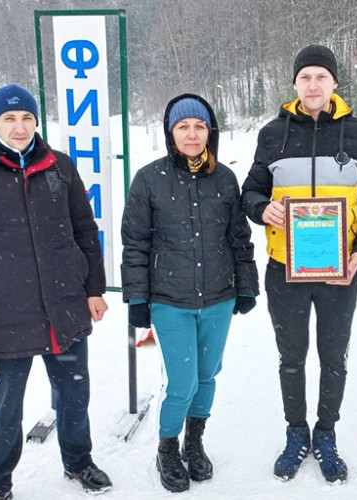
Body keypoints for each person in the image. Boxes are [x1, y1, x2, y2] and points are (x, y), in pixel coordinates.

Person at [0, 84, 113, 500]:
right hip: (2, 316)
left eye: (27, 118)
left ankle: (79, 462)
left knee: (73, 395)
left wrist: (94, 289)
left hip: (64, 310)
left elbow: (85, 231)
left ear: (36, 121)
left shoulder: (60, 167)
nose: (19, 127)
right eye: (9, 119)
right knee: (4, 408)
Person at [241, 45, 357, 483]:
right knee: (291, 358)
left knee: (333, 357)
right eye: (305, 77)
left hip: (339, 268)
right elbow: (252, 189)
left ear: (334, 84)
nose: (313, 85)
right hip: (283, 268)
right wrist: (261, 208)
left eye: (321, 77)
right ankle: (296, 432)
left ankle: (325, 433)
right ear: (294, 84)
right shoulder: (273, 134)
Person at [121, 94, 259, 493]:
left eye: (199, 126)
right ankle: (167, 447)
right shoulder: (149, 180)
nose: (192, 134)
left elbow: (238, 237)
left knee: (208, 375)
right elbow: (136, 244)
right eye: (183, 127)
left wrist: (246, 286)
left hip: (219, 297)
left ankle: (194, 442)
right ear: (171, 132)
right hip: (170, 300)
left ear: (210, 132)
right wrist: (137, 300)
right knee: (183, 382)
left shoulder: (224, 179)